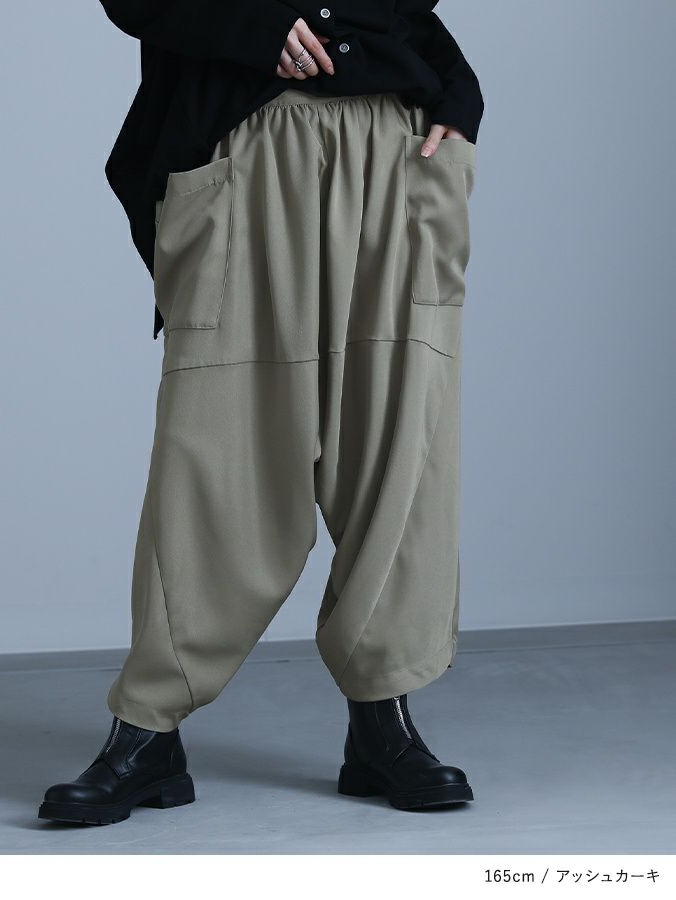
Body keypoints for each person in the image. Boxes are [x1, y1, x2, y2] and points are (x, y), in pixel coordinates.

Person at [38, 1, 484, 826]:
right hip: (247, 140)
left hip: (396, 147)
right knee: (216, 451)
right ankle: (147, 731)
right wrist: (253, 24)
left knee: (397, 446)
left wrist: (460, 97)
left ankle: (382, 717)